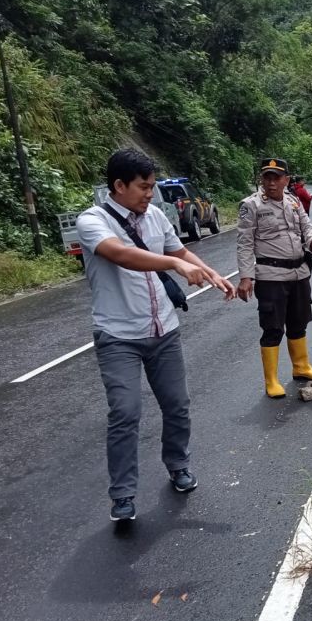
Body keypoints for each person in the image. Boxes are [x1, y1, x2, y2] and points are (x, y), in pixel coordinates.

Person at [76, 148, 236, 522]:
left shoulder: (156, 218)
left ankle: (178, 465)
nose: (151, 194)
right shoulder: (93, 221)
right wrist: (174, 264)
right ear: (118, 185)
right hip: (118, 336)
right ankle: (122, 494)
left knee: (177, 405)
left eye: (151, 187)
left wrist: (212, 275)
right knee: (125, 412)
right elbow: (122, 255)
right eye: (144, 187)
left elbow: (179, 249)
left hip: (163, 330)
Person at [236, 158, 312, 398]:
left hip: (298, 273)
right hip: (271, 276)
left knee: (299, 321)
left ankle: (301, 367)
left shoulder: (294, 202)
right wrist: (246, 277)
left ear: (286, 179)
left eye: (277, 177)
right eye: (267, 177)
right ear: (262, 179)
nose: (272, 182)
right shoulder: (251, 206)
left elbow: (307, 227)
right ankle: (272, 380)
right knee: (273, 327)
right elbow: (244, 244)